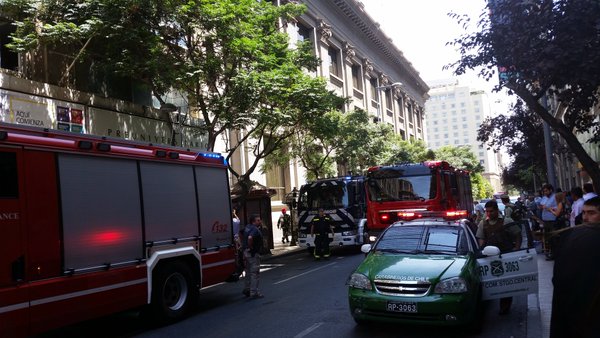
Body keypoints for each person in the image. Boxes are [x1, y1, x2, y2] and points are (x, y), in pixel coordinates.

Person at [550, 197, 600, 338]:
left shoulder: (572, 235)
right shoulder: (572, 236)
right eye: (584, 213)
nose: (585, 218)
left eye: (592, 213)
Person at [476, 200, 522, 315]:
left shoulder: (507, 221)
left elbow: (518, 235)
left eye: (491, 211)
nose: (489, 214)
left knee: (505, 283)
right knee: (490, 282)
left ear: (497, 210)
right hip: (489, 257)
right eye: (487, 211)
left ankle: (505, 306)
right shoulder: (483, 223)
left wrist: (516, 250)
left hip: (505, 255)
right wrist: (481, 250)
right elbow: (481, 238)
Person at [241, 214, 264, 299]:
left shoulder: (247, 227)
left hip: (246, 253)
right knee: (255, 273)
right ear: (253, 222)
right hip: (253, 254)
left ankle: (247, 289)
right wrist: (250, 247)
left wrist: (244, 245)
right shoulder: (254, 229)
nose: (260, 221)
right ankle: (254, 292)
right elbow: (250, 237)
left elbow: (241, 233)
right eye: (258, 220)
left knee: (248, 272)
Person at [539, 183, 558, 260]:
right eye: (544, 191)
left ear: (551, 190)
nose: (545, 193)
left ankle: (555, 254)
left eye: (546, 191)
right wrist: (541, 207)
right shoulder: (544, 197)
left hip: (553, 221)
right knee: (549, 239)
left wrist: (549, 208)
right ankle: (551, 253)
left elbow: (558, 207)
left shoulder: (555, 197)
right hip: (546, 221)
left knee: (554, 238)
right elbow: (540, 205)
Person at [232, 209, 243, 278]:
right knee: (238, 252)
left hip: (232, 238)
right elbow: (238, 219)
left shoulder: (230, 221)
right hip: (237, 238)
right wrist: (234, 213)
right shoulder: (236, 221)